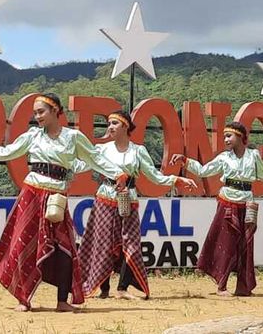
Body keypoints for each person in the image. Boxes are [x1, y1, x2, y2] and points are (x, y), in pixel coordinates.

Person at [0, 93, 126, 312]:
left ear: (55, 110)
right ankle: (23, 298)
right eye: (35, 112)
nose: (37, 116)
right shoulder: (32, 135)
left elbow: (94, 158)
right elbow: (8, 152)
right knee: (22, 245)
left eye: (41, 111)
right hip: (32, 194)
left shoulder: (74, 138)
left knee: (65, 248)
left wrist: (118, 174)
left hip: (56, 198)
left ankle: (62, 301)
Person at [78, 110, 196, 300]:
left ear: (125, 126)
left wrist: (176, 179)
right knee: (102, 243)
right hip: (105, 199)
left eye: (114, 124)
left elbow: (154, 176)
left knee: (131, 244)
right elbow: (81, 165)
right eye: (109, 123)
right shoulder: (101, 149)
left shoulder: (138, 151)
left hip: (128, 201)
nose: (110, 127)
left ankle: (122, 288)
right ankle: (102, 287)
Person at [171, 121, 263, 297]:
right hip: (227, 202)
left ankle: (243, 287)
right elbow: (203, 171)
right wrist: (185, 161)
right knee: (225, 245)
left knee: (245, 245)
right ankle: (222, 286)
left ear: (240, 136)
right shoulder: (224, 157)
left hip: (246, 204)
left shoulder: (253, 156)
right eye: (224, 136)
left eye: (229, 136)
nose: (226, 139)